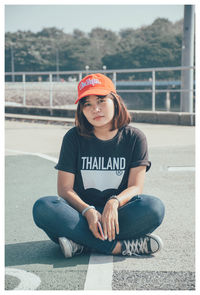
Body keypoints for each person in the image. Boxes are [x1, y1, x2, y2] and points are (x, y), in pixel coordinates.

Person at [33, 73, 165, 258]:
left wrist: (114, 202)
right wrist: (88, 211)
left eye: (101, 100)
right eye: (87, 104)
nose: (95, 109)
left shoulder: (134, 138)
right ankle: (119, 247)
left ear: (115, 101)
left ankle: (82, 244)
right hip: (79, 216)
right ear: (81, 110)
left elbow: (136, 187)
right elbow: (64, 189)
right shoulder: (73, 138)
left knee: (154, 207)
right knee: (43, 207)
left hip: (118, 216)